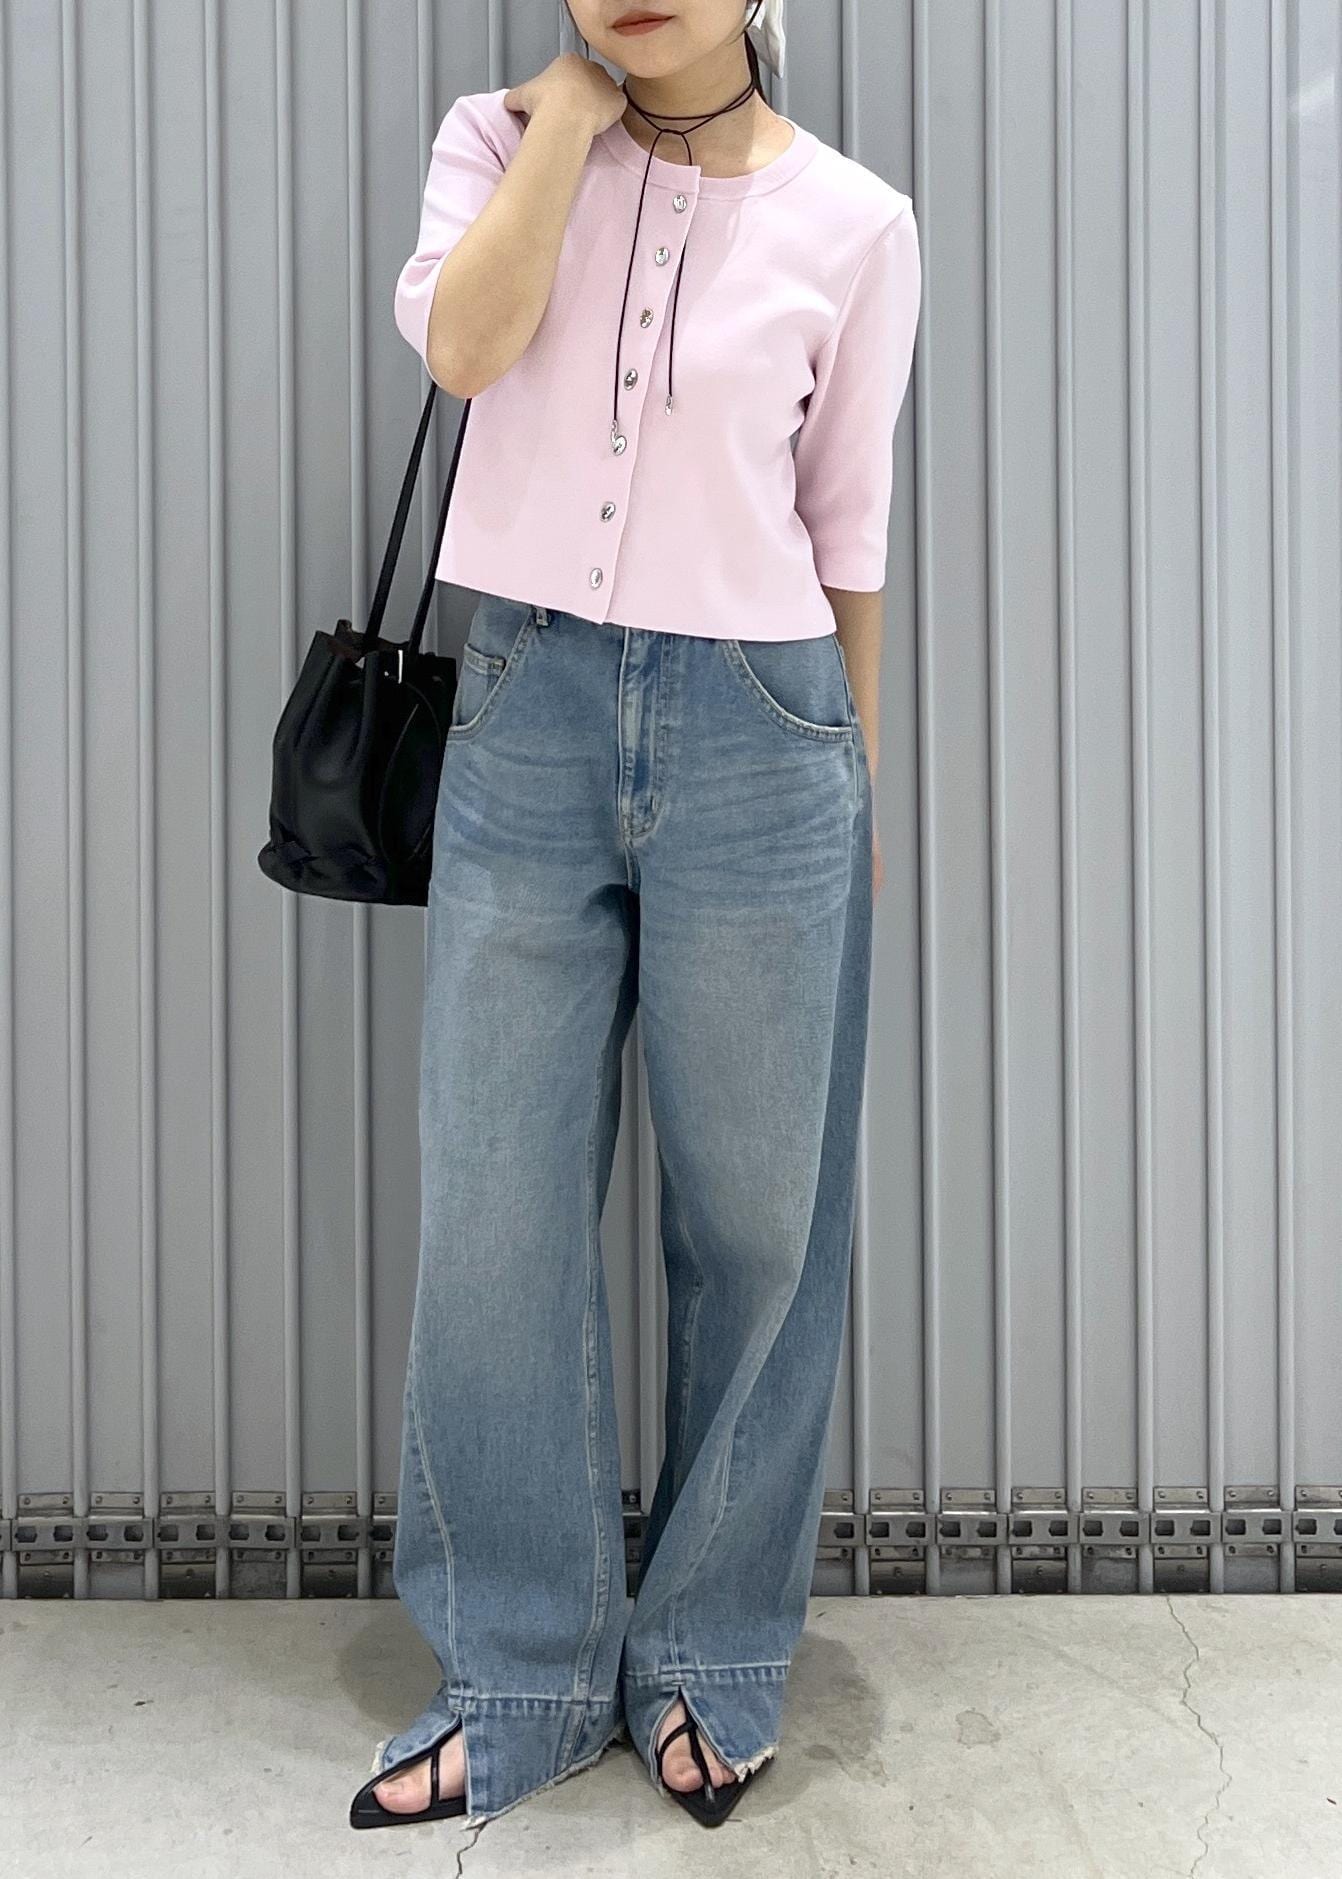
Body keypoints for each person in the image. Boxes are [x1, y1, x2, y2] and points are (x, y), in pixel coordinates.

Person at [347, 0, 920, 1835]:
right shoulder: (495, 142)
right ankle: (517, 1670)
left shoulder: (855, 221)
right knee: (494, 1206)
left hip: (767, 727)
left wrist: (855, 778)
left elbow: (848, 526)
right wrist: (571, 124)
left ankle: (712, 1652)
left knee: (757, 1218)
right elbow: (464, 350)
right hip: (525, 707)